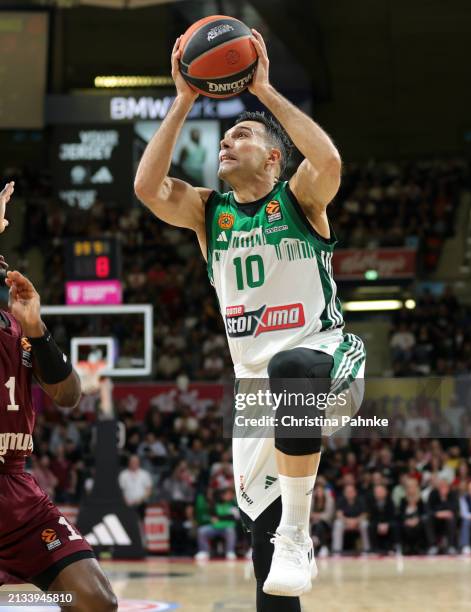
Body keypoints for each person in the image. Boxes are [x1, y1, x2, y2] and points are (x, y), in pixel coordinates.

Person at [135, 30, 365, 610]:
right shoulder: (208, 214)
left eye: (243, 134)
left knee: (292, 363)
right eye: (225, 137)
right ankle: (282, 541)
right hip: (257, 397)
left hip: (327, 359)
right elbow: (147, 187)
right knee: (269, 574)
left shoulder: (301, 198)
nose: (226, 143)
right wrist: (184, 97)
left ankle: (298, 530)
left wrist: (261, 89)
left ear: (273, 157)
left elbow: (329, 159)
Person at [0, 185, 117, 610]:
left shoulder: (16, 328)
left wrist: (37, 329)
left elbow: (69, 394)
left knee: (94, 601)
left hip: (17, 492)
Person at [195, 487, 239, 561]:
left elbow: (235, 517)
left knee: (230, 531)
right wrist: (226, 517)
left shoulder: (233, 503)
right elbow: (213, 517)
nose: (230, 496)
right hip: (215, 527)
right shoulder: (215, 503)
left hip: (227, 527)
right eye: (228, 494)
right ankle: (204, 551)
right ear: (222, 495)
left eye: (231, 495)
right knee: (202, 531)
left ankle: (230, 551)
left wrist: (220, 518)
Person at [332, 484, 370, 554]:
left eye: (351, 491)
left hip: (358, 522)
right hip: (345, 522)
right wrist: (348, 521)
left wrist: (356, 521)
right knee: (337, 524)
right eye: (347, 492)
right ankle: (337, 550)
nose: (349, 493)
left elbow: (365, 514)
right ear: (344, 493)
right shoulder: (341, 500)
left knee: (365, 524)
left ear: (355, 492)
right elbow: (339, 514)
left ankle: (367, 549)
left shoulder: (360, 500)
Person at [118, 454, 153, 521]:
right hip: (127, 504)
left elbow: (149, 491)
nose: (134, 463)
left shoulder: (144, 474)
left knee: (141, 522)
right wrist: (126, 501)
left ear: (139, 462)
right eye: (132, 461)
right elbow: (120, 490)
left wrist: (140, 500)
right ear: (129, 462)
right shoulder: (123, 474)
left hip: (141, 504)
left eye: (135, 461)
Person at [459, 480, 471, 554]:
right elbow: (464, 513)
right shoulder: (464, 498)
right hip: (469, 519)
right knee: (466, 522)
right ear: (468, 490)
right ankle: (466, 546)